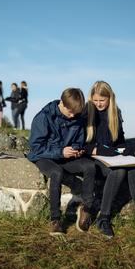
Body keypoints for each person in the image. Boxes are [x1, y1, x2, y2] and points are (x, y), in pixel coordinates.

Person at [85, 81, 135, 238]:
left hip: (111, 155)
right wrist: (111, 151)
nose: (98, 104)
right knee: (120, 170)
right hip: (94, 158)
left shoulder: (115, 112)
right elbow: (85, 146)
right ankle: (103, 218)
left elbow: (120, 142)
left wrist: (125, 150)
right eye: (95, 100)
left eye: (102, 100)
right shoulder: (87, 112)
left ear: (110, 98)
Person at [27, 87, 97, 235]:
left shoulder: (77, 117)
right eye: (70, 112)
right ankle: (55, 219)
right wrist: (60, 152)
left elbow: (79, 141)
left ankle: (86, 209)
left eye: (76, 112)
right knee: (56, 172)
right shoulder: (43, 117)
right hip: (44, 157)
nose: (73, 116)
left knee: (90, 166)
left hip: (66, 156)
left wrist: (78, 150)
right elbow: (35, 148)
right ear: (62, 104)